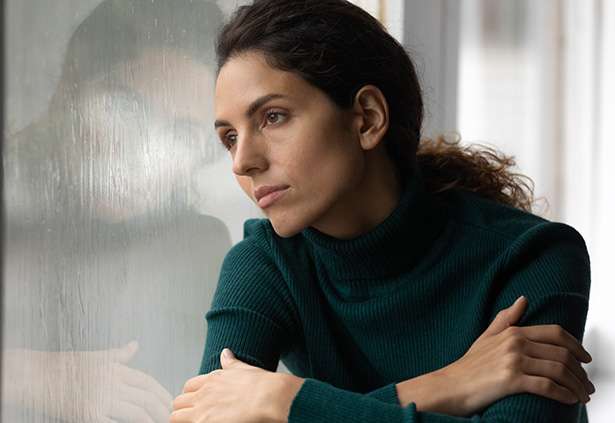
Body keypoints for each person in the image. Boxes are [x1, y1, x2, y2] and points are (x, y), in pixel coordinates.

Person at [171, 0, 594, 422]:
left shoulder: (532, 256)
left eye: (273, 117)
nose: (242, 161)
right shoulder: (268, 262)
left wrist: (284, 402)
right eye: (229, 137)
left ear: (367, 119)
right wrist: (448, 385)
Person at [2, 1, 231, 421]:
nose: (146, 154)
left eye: (183, 133)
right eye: (127, 109)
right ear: (71, 89)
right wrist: (26, 376)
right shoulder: (14, 200)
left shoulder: (201, 249)